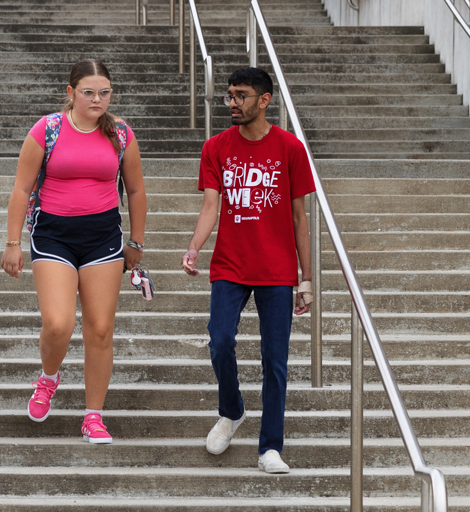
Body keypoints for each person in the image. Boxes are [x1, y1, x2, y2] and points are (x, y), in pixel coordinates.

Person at [1, 59, 147, 444]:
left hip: (103, 238)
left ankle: (93, 415)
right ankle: (49, 378)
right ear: (70, 93)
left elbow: (135, 190)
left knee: (100, 328)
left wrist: (136, 242)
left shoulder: (120, 134)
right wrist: (13, 242)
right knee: (58, 323)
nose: (97, 99)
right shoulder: (47, 129)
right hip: (53, 236)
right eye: (88, 92)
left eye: (104, 92)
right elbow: (21, 188)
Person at [181, 68, 315, 473]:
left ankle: (270, 447)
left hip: (276, 269)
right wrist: (194, 247)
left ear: (264, 100)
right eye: (229, 96)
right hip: (230, 265)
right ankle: (232, 410)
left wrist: (306, 278)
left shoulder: (290, 148)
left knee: (276, 360)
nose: (233, 103)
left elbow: (299, 217)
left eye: (241, 96)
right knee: (219, 339)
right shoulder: (216, 147)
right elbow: (211, 206)